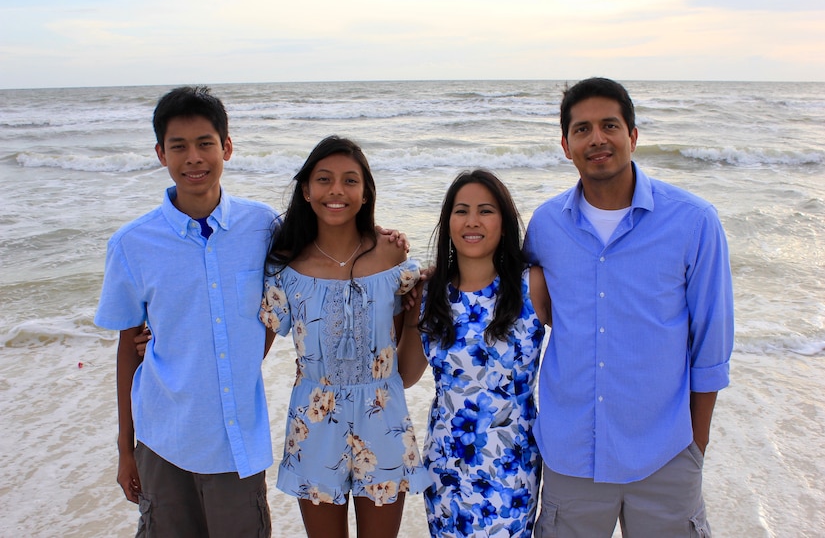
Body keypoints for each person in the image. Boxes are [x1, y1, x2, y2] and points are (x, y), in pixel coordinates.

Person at [524, 77, 734, 537]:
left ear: (633, 137)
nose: (596, 138)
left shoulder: (694, 221)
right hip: (571, 457)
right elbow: (500, 293)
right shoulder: (545, 226)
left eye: (609, 125)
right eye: (582, 129)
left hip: (664, 457)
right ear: (565, 145)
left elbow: (711, 348)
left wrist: (694, 449)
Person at [95, 86, 276, 536]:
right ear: (161, 154)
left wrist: (384, 240)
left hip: (237, 441)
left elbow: (322, 258)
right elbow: (126, 350)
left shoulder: (265, 227)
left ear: (227, 148)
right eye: (179, 146)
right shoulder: (132, 245)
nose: (193, 157)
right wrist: (125, 449)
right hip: (163, 439)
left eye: (205, 144)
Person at [258, 135, 430, 538]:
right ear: (306, 190)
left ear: (367, 192)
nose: (336, 190)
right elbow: (252, 350)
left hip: (383, 418)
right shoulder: (286, 268)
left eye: (350, 180)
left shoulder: (393, 257)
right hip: (313, 422)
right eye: (324, 179)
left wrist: (419, 310)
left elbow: (407, 370)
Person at [397, 169, 552, 537]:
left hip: (514, 459)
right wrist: (406, 315)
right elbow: (405, 375)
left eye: (486, 210)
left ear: (504, 221)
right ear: (448, 221)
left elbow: (583, 349)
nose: (472, 221)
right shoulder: (429, 291)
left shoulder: (533, 284)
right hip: (448, 459)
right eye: (461, 210)